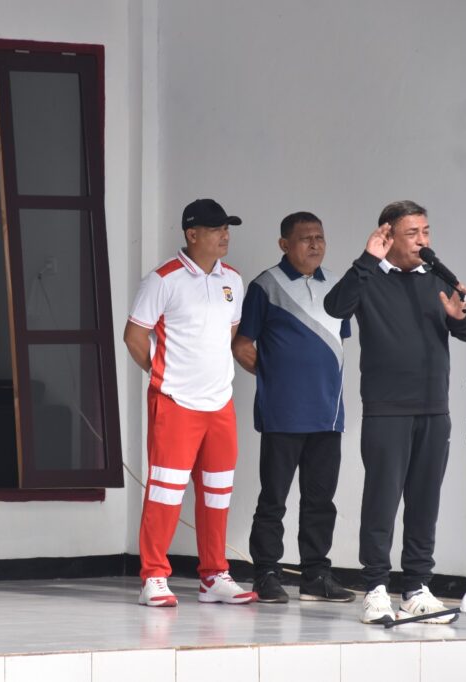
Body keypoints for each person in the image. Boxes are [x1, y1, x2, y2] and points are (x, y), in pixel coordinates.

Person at [323, 200, 466, 624]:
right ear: (387, 236)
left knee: (425, 502)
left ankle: (416, 588)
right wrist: (366, 259)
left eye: (426, 231)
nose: (422, 241)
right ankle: (375, 588)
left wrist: (460, 317)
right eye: (413, 233)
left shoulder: (436, 278)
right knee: (382, 500)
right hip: (387, 408)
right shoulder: (368, 276)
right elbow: (335, 307)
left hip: (434, 408)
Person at [123, 198, 256, 607]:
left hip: (220, 404)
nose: (224, 236)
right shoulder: (164, 279)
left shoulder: (233, 279)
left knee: (217, 492)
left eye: (227, 228)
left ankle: (214, 576)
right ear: (192, 234)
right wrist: (163, 376)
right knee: (165, 492)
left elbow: (230, 335)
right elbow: (134, 336)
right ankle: (153, 577)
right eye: (216, 229)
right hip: (175, 403)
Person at [231, 211, 355, 605]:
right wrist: (274, 375)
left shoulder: (337, 286)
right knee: (274, 498)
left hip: (327, 414)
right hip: (282, 414)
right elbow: (241, 345)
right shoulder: (265, 286)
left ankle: (316, 575)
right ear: (284, 244)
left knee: (321, 501)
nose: (315, 244)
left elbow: (339, 340)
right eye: (305, 238)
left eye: (320, 237)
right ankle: (266, 573)